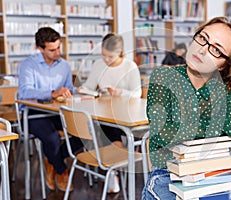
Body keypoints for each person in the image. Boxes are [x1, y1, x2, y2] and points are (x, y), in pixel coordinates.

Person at [142, 16, 231, 199]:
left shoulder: (225, 88)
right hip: (168, 175)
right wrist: (217, 130)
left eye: (216, 50)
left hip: (214, 175)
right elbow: (162, 132)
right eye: (203, 38)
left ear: (225, 63)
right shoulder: (164, 76)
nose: (202, 50)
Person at [18, 27, 83, 192]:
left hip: (58, 112)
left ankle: (53, 161)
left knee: (84, 131)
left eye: (59, 47)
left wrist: (70, 93)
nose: (57, 52)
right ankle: (61, 170)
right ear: (41, 49)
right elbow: (24, 92)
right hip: (33, 113)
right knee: (52, 139)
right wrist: (52, 93)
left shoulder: (65, 66)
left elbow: (69, 89)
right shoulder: (29, 65)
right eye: (52, 50)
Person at [80, 32, 142, 193]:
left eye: (110, 57)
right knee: (97, 124)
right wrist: (83, 90)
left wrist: (120, 92)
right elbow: (89, 86)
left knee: (104, 127)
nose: (106, 60)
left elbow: (137, 94)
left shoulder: (130, 67)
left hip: (126, 113)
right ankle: (113, 167)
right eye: (103, 55)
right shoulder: (99, 65)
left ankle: (112, 169)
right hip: (104, 112)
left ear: (120, 53)